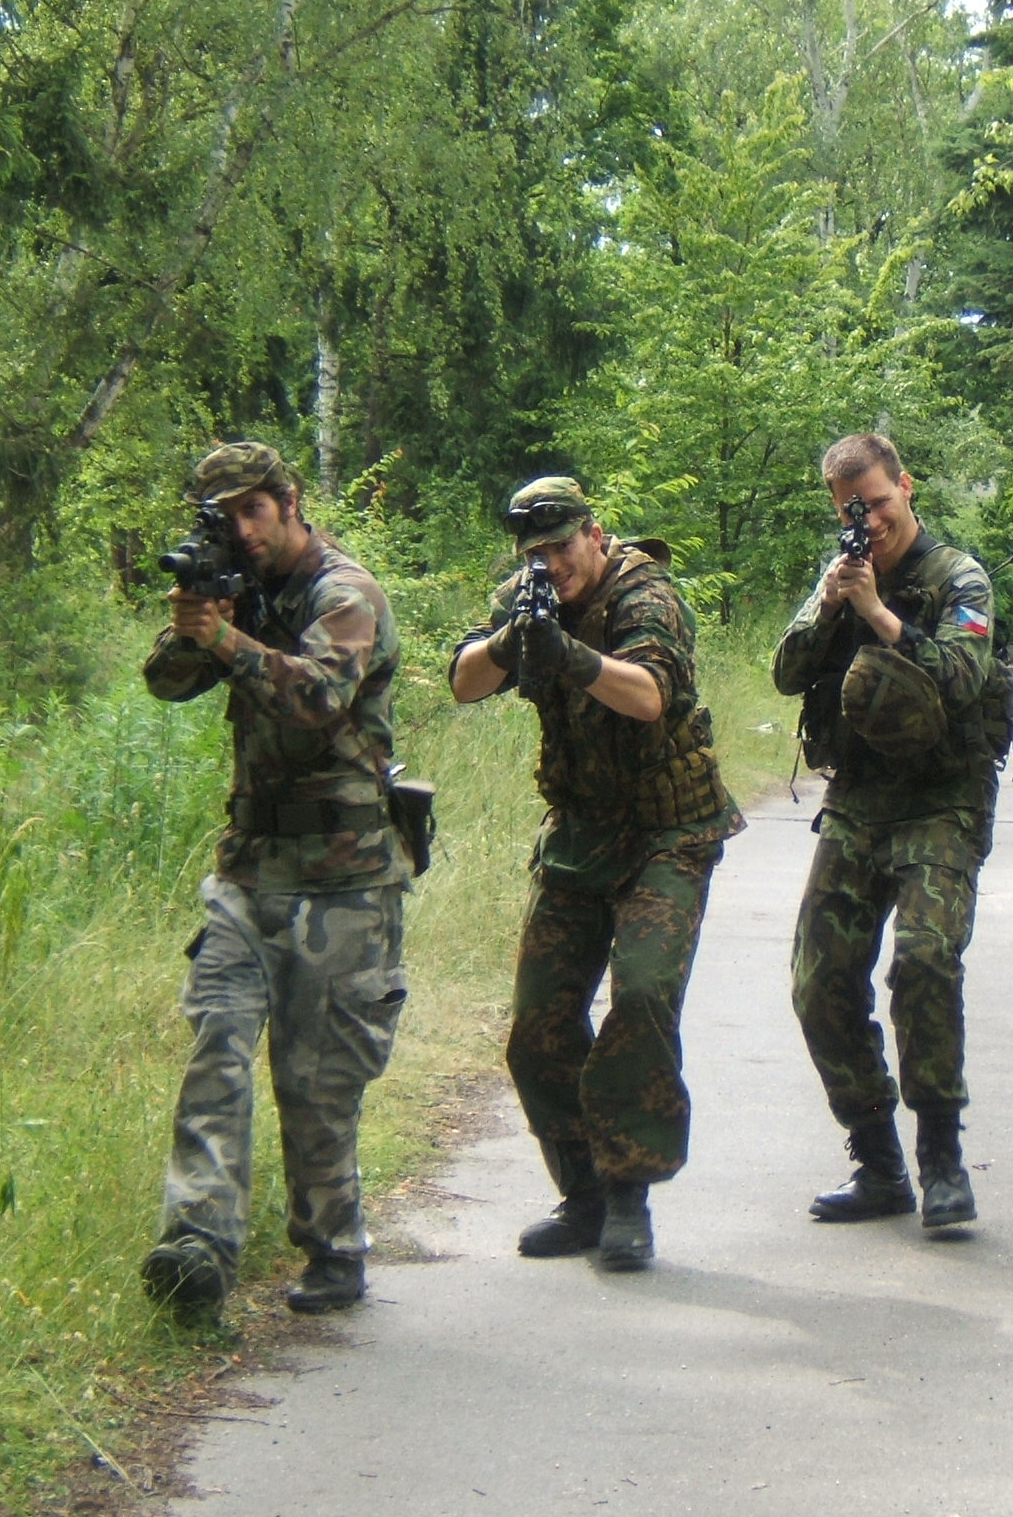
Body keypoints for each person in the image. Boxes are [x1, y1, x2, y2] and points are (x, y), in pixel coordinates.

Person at [140, 441, 414, 1319]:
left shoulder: (345, 591)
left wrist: (226, 636)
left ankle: (333, 1248)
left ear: (289, 501)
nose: (243, 531)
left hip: (342, 883)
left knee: (317, 1083)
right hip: (250, 875)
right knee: (215, 1047)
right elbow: (165, 680)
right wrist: (198, 619)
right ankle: (199, 1248)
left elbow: (319, 699)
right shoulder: (240, 590)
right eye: (225, 519)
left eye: (254, 511)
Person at [450, 478, 742, 1271]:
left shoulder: (646, 593)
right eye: (535, 553)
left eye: (561, 547)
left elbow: (650, 696)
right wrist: (514, 642)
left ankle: (627, 1195)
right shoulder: (527, 596)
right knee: (538, 1024)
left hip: (666, 832)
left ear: (596, 533)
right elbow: (463, 681)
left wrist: (572, 657)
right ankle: (580, 1194)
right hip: (579, 833)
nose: (551, 564)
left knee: (641, 997)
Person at [772, 433, 1011, 1232]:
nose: (867, 519)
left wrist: (878, 613)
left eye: (876, 501)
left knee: (924, 961)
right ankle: (876, 1159)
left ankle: (940, 1155)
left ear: (905, 487)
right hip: (860, 801)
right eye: (851, 509)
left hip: (941, 800)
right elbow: (784, 669)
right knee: (818, 977)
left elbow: (961, 675)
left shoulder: (957, 577)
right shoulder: (839, 575)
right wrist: (836, 604)